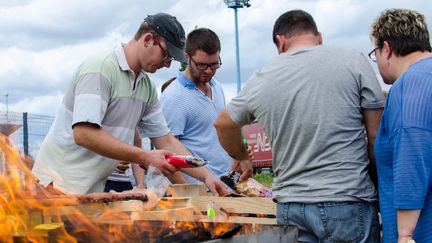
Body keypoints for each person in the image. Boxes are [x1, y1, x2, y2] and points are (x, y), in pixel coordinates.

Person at [214, 9, 385, 242]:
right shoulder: (353, 61)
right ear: (319, 38)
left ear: (280, 42)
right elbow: (377, 139)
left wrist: (243, 156)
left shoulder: (263, 77)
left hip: (291, 206)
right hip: (347, 200)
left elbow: (222, 124)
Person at [32, 13, 227, 196]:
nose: (167, 64)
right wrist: (145, 156)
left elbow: (165, 140)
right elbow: (84, 133)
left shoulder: (146, 87)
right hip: (54, 187)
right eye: (167, 55)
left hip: (90, 191)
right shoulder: (99, 69)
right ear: (148, 39)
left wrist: (206, 176)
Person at [370, 8, 432, 243]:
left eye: (374, 53)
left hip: (421, 232)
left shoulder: (411, 83)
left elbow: (413, 148)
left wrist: (405, 233)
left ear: (387, 49)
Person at [160, 28, 234, 183]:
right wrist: (189, 192)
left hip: (225, 187)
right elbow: (168, 154)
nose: (208, 71)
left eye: (214, 65)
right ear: (187, 57)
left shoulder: (217, 87)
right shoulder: (173, 97)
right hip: (199, 192)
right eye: (202, 65)